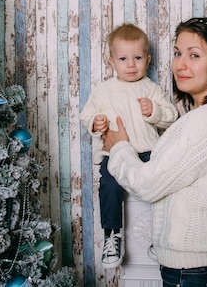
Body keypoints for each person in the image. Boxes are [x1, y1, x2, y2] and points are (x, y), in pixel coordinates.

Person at [102, 17, 207, 287]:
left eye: (194, 55)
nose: (180, 64)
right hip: (205, 269)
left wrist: (119, 146)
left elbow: (147, 185)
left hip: (197, 272)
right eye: (177, 53)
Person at [79, 23, 179, 269]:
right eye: (123, 58)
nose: (131, 65)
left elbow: (171, 116)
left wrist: (154, 111)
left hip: (148, 151)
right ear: (111, 61)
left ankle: (161, 234)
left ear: (148, 59)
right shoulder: (103, 91)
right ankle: (112, 235)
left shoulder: (151, 89)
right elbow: (86, 115)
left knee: (163, 187)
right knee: (109, 187)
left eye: (137, 58)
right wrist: (96, 122)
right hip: (114, 153)